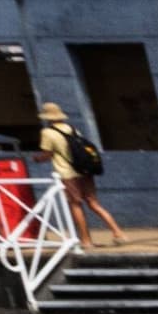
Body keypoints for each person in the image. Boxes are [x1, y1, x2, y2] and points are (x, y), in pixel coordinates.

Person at [33, 100, 128, 242]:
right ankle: (118, 232)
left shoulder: (47, 132)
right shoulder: (73, 129)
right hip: (84, 171)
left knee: (75, 204)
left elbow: (47, 154)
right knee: (94, 204)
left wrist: (37, 159)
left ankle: (86, 240)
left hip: (68, 174)